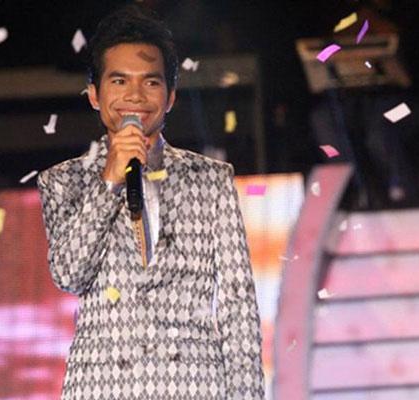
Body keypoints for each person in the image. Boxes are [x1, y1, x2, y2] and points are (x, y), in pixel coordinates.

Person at [37, 5, 264, 399]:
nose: (135, 96)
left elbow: (238, 308)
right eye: (119, 81)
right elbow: (69, 274)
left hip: (193, 388)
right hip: (102, 389)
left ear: (171, 96)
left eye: (151, 82)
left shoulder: (210, 180)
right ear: (94, 94)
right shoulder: (63, 181)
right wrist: (109, 180)